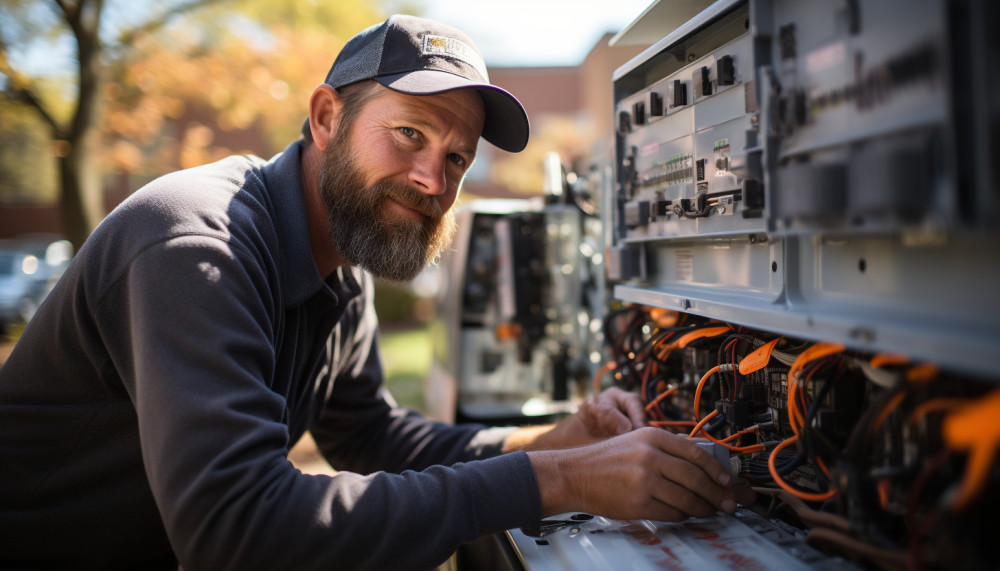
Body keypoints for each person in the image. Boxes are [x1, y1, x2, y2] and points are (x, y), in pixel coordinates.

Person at [0, 15, 753, 570]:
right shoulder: (196, 242)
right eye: (411, 135)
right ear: (327, 117)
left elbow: (375, 440)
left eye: (457, 157)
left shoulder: (342, 263)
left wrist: (558, 438)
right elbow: (237, 532)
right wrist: (557, 479)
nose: (436, 180)